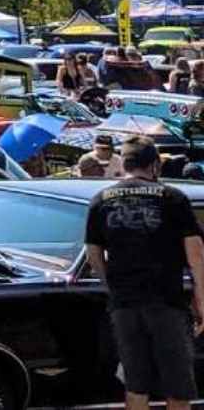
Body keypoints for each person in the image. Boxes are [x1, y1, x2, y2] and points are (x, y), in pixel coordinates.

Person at [85, 135, 204, 410]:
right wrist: (201, 302)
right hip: (166, 304)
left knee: (136, 385)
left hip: (124, 306)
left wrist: (112, 287)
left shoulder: (100, 199)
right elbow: (196, 255)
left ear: (124, 164)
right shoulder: (173, 198)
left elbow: (94, 256)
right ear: (154, 166)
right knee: (178, 388)